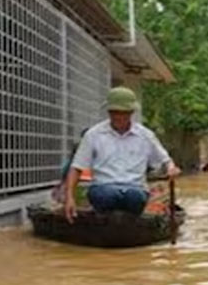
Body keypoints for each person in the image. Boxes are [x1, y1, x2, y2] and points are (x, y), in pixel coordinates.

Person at [64, 87, 180, 223]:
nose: (118, 117)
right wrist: (69, 197)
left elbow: (166, 161)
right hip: (103, 189)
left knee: (133, 197)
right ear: (108, 112)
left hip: (135, 190)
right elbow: (77, 167)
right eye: (114, 112)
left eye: (123, 113)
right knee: (107, 195)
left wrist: (171, 168)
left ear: (131, 112)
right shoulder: (93, 134)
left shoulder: (146, 136)